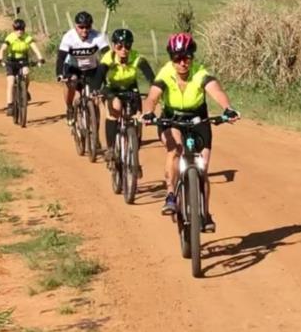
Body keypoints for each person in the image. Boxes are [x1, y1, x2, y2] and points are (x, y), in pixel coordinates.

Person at [141, 32, 240, 233]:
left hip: (198, 120)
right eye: (177, 58)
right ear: (171, 58)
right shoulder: (165, 73)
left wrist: (227, 108)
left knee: (202, 170)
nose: (183, 62)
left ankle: (205, 212)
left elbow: (216, 90)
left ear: (192, 57)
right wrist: (148, 112)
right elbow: (152, 96)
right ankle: (170, 195)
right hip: (172, 119)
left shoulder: (200, 73)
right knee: (174, 151)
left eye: (187, 57)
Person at [100, 28, 155, 165]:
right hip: (111, 88)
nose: (124, 49)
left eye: (127, 45)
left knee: (138, 118)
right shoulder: (109, 57)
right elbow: (99, 74)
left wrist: (155, 89)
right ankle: (111, 148)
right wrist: (96, 89)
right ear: (113, 46)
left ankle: (134, 158)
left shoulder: (137, 58)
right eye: (119, 46)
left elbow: (150, 77)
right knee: (116, 108)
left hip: (131, 88)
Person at [55, 11, 109, 125]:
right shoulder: (69, 37)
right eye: (81, 27)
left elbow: (108, 55)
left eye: (88, 27)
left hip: (91, 69)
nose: (84, 30)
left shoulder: (98, 36)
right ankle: (70, 107)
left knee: (94, 100)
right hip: (73, 68)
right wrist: (59, 74)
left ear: (91, 26)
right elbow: (61, 58)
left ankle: (94, 130)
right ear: (76, 26)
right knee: (72, 82)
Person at [0, 18, 45, 116]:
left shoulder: (27, 37)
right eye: (17, 29)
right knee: (10, 82)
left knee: (26, 74)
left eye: (21, 29)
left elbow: (34, 47)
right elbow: (3, 49)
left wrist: (40, 57)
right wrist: (0, 57)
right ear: (14, 29)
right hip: (11, 62)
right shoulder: (10, 38)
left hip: (23, 61)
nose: (19, 31)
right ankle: (10, 105)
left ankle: (24, 90)